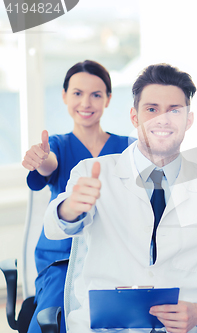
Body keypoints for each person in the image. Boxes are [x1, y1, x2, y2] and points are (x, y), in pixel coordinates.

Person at [43, 63, 197, 333]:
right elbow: (54, 229)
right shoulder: (93, 172)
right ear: (135, 117)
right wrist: (69, 209)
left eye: (174, 111)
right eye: (151, 109)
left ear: (188, 120)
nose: (163, 119)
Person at [21, 60, 132, 333]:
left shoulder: (127, 148)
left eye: (96, 94)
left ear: (108, 99)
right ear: (64, 96)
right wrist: (42, 158)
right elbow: (50, 164)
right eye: (77, 93)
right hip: (63, 260)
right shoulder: (58, 145)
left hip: (113, 256)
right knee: (55, 314)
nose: (86, 102)